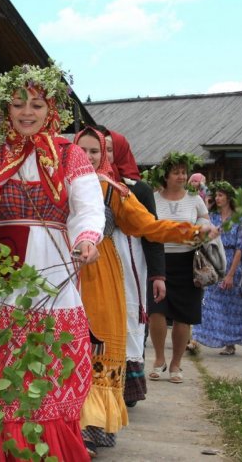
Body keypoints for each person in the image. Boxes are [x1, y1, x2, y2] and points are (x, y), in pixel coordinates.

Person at [0, 62, 104, 462]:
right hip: (3, 268)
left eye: (37, 105)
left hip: (53, 266)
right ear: (5, 109)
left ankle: (48, 449)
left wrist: (87, 240)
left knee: (51, 365)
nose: (27, 112)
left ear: (51, 109)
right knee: (5, 366)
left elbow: (89, 208)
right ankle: (9, 448)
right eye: (19, 104)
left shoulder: (70, 155)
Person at [74, 127, 217, 454]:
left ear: (105, 155)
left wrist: (192, 232)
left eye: (95, 151)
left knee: (99, 344)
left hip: (101, 275)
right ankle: (60, 428)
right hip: (64, 272)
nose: (88, 157)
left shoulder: (114, 190)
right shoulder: (58, 185)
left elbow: (149, 227)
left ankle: (91, 428)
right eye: (82, 150)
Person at [104, 129, 166, 409]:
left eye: (108, 149)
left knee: (129, 317)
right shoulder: (85, 184)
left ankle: (127, 387)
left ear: (119, 152)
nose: (102, 155)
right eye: (97, 149)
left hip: (130, 261)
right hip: (97, 257)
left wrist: (158, 275)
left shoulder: (138, 189)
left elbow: (152, 233)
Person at [149, 153, 210, 384]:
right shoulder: (154, 198)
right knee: (156, 311)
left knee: (184, 316)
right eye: (176, 172)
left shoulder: (194, 199)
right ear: (165, 176)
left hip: (187, 261)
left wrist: (201, 229)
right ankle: (159, 359)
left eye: (184, 172)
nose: (182, 176)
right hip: (159, 260)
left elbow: (205, 219)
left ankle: (176, 363)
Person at [192, 181, 242, 356]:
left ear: (228, 198)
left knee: (230, 306)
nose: (217, 198)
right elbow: (202, 237)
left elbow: (240, 248)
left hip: (232, 263)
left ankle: (230, 343)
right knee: (208, 302)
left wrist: (230, 275)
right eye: (216, 195)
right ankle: (195, 339)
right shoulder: (212, 217)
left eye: (220, 195)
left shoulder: (239, 220)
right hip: (214, 260)